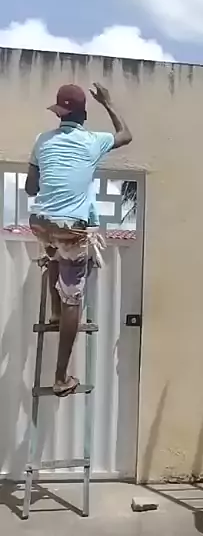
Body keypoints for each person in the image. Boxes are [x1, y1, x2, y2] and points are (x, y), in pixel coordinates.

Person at [25, 82, 132, 397]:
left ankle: (55, 312)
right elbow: (126, 135)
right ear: (83, 115)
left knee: (53, 254)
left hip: (41, 222)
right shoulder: (93, 141)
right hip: (71, 228)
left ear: (59, 113)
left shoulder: (42, 140)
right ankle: (61, 377)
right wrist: (108, 102)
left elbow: (30, 188)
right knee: (74, 297)